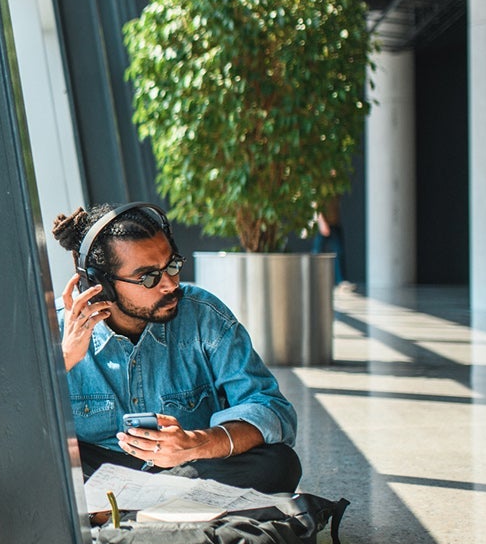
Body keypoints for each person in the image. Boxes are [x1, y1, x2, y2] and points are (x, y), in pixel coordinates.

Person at [51, 202, 302, 495]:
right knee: (45, 469)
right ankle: (155, 506)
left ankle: (123, 509)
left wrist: (196, 442)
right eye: (148, 277)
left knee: (279, 464)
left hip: (186, 468)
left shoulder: (204, 316)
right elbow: (12, 431)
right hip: (98, 471)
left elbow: (270, 408)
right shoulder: (54, 329)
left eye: (172, 265)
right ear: (101, 284)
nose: (170, 284)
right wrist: (64, 359)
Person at [312, 196, 351, 290]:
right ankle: (312, 278)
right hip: (323, 224)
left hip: (334, 223)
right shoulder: (320, 189)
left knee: (339, 252)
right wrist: (321, 223)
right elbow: (315, 206)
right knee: (317, 252)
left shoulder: (334, 191)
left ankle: (341, 280)